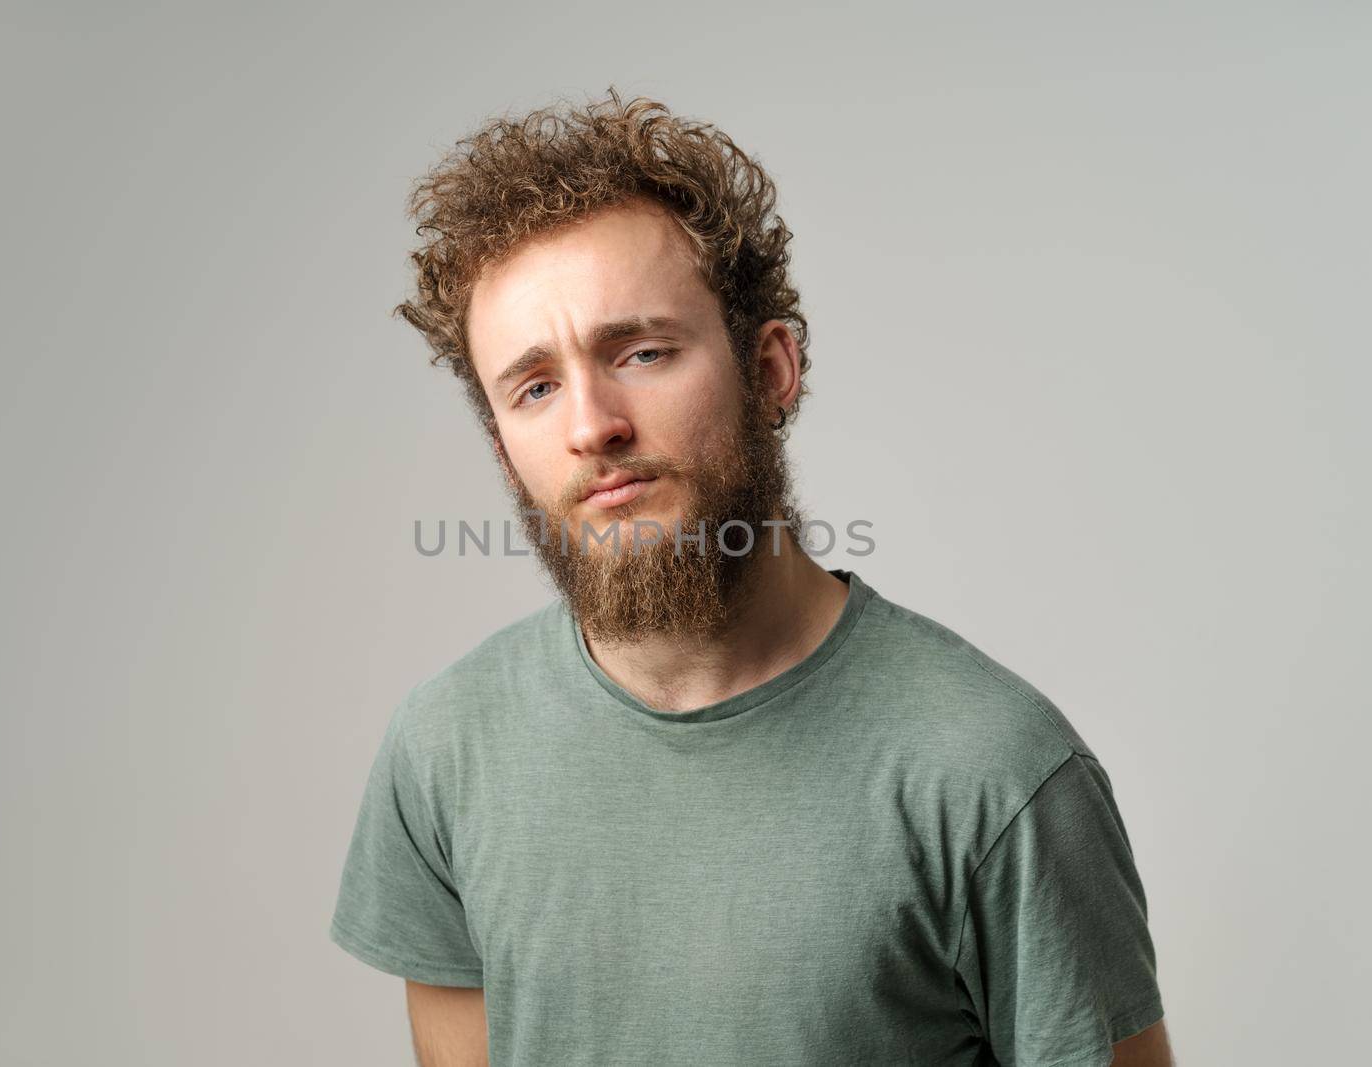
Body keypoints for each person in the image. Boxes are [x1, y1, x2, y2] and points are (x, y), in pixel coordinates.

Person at [330, 87, 1174, 1067]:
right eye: (534, 385)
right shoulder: (444, 747)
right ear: (501, 438)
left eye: (640, 351)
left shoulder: (994, 771)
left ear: (771, 368)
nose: (589, 423)